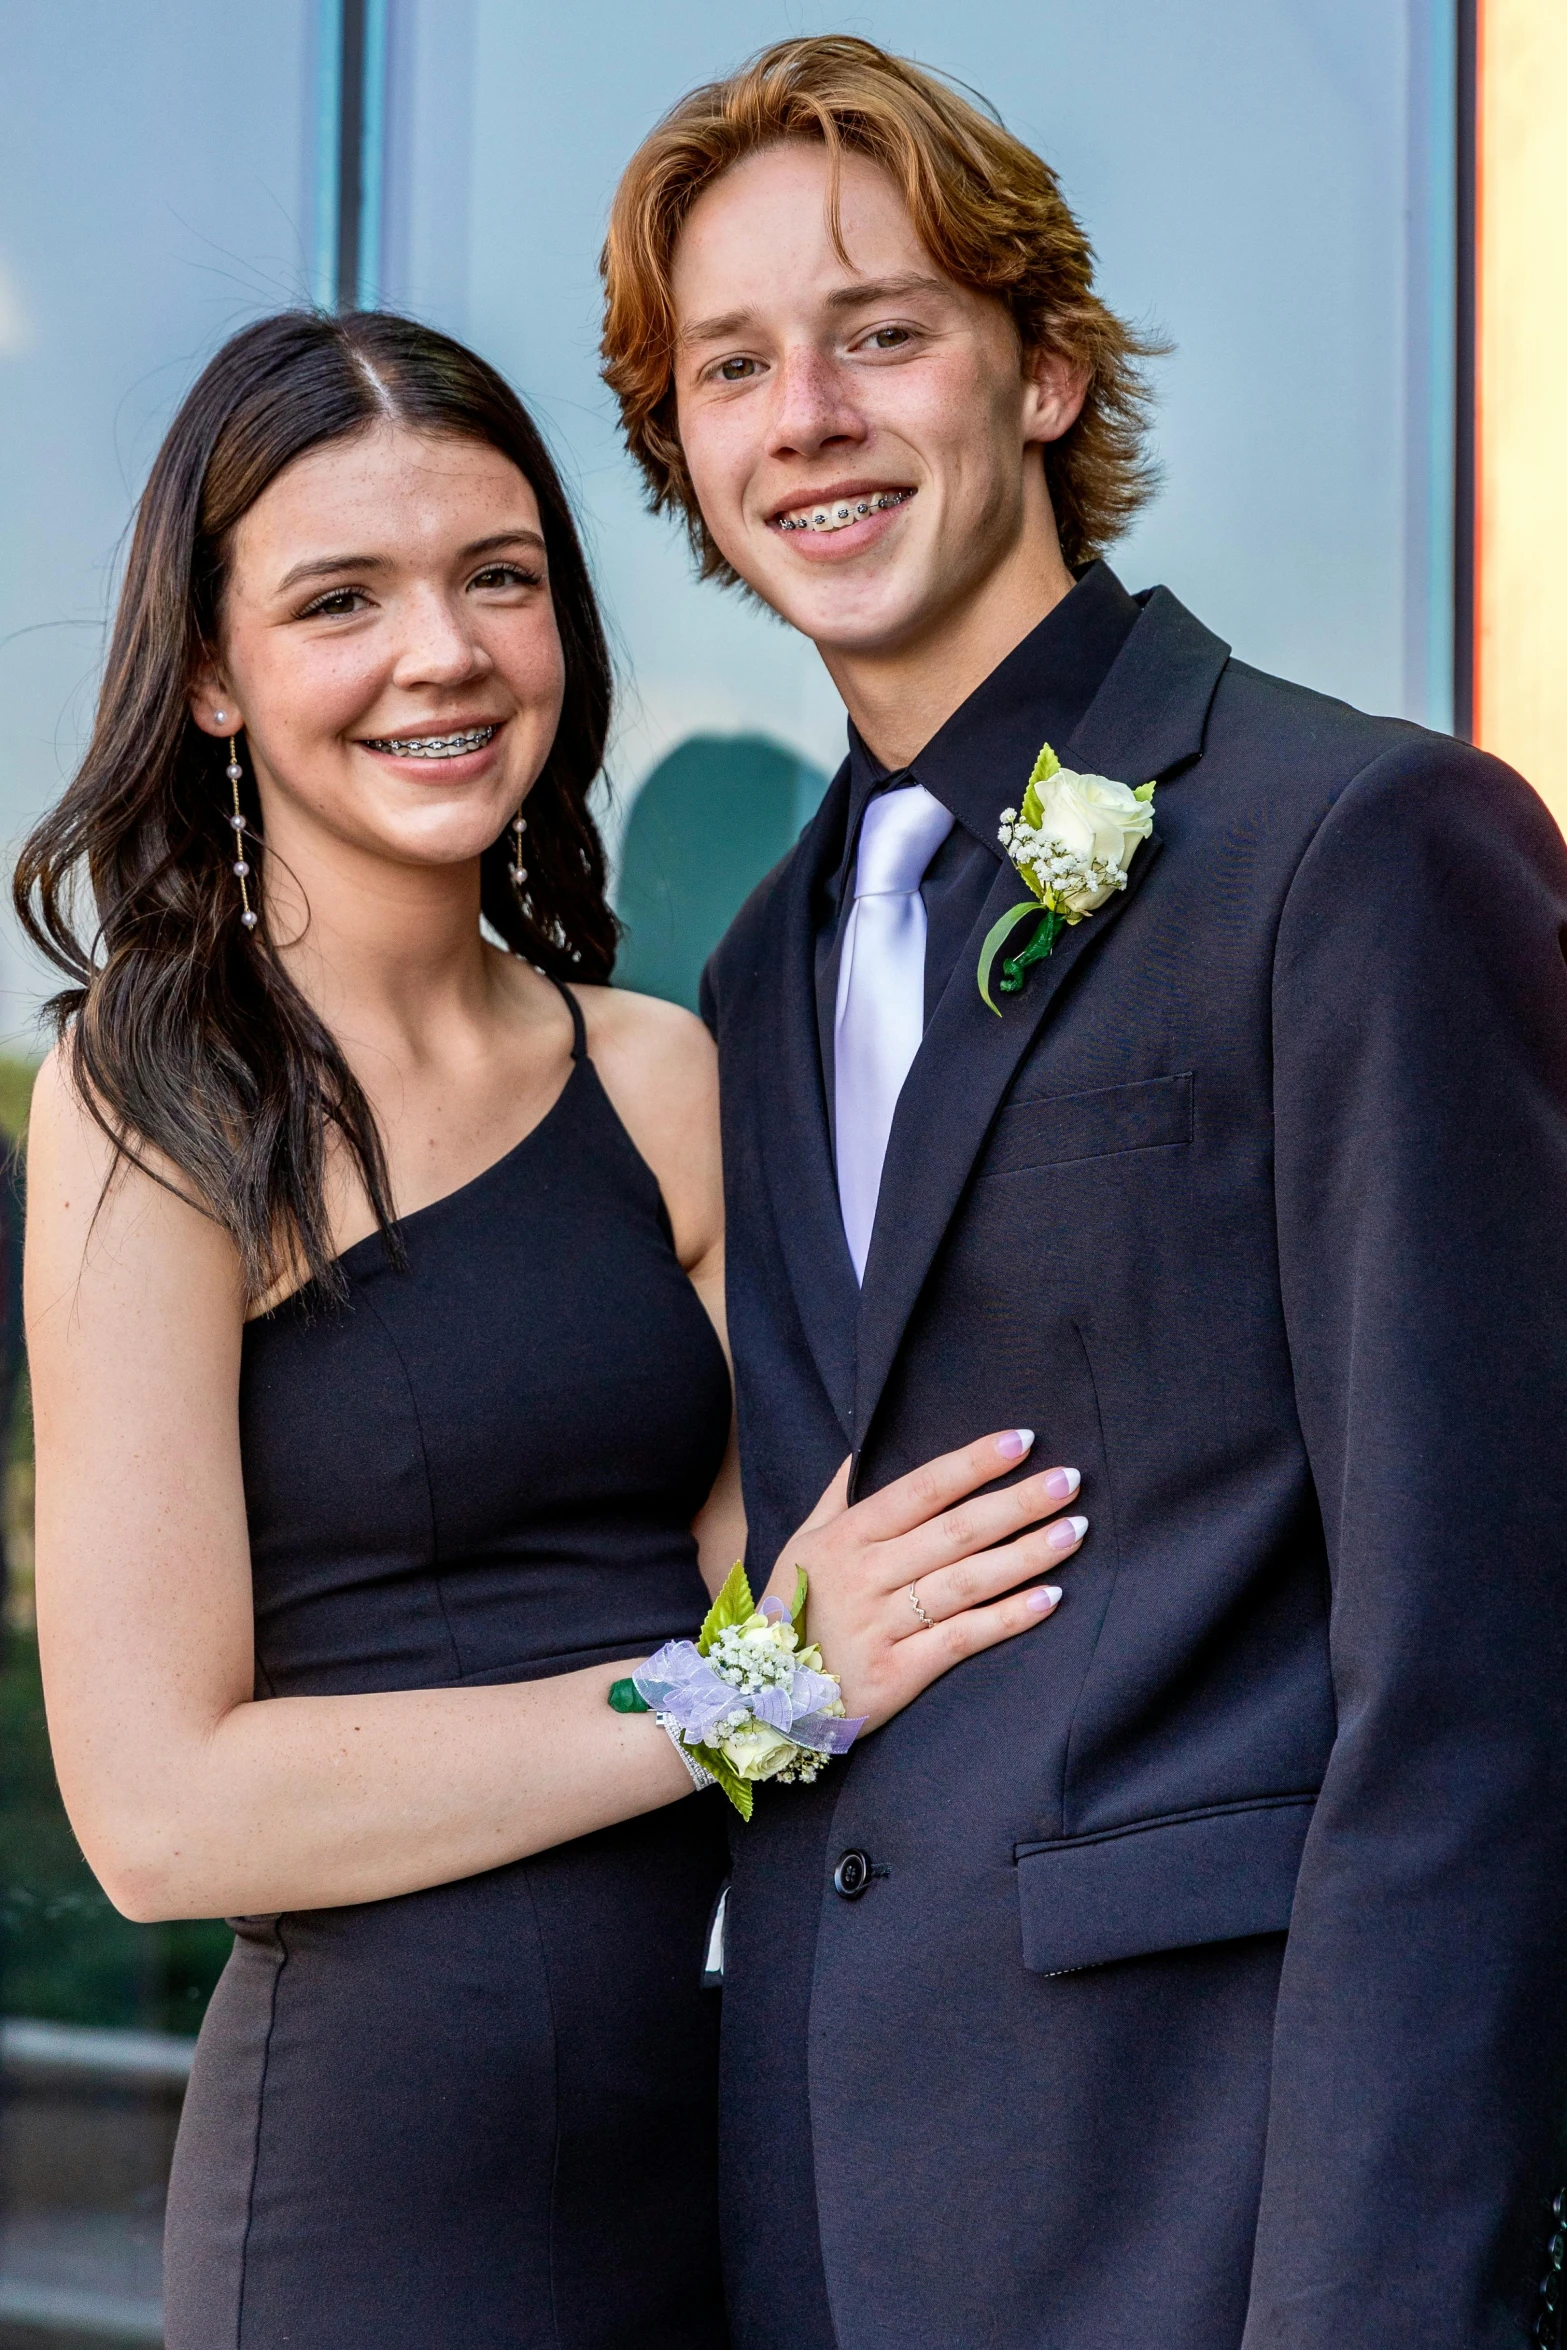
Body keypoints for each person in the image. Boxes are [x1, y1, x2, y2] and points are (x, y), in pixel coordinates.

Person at [601, 36, 1567, 2350]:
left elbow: (1477, 1688)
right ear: (690, 460)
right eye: (733, 365)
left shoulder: (1357, 846)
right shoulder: (759, 954)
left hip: (1213, 2222)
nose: (806, 412)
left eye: (881, 330)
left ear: (1040, 373)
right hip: (828, 2229)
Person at [16, 308, 1087, 2349]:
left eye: (497, 577)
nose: (446, 650)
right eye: (345, 597)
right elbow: (159, 1812)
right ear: (219, 674)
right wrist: (729, 1692)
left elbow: (809, 1628)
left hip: (742, 2149)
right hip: (377, 2203)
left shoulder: (663, 1073)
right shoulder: (153, 1093)